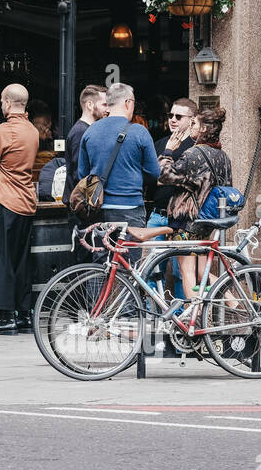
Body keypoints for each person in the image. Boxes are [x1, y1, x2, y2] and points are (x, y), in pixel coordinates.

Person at [157, 106, 233, 318]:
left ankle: (194, 316)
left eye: (194, 124)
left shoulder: (194, 153)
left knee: (187, 271)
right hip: (208, 221)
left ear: (203, 130)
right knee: (202, 271)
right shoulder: (223, 156)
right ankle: (235, 304)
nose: (191, 127)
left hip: (187, 219)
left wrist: (169, 151)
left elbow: (163, 175)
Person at [0, 84, 40, 335]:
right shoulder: (33, 131)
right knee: (21, 259)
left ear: (7, 102)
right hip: (26, 201)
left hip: (4, 199)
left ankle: (5, 316)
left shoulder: (4, 131)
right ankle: (24, 313)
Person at [77, 82, 160, 229]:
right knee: (128, 251)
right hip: (130, 207)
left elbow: (83, 174)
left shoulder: (90, 131)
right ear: (128, 103)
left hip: (98, 208)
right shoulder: (139, 132)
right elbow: (153, 174)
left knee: (101, 251)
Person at [147, 97, 198, 298]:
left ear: (192, 120)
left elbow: (187, 180)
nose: (173, 120)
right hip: (158, 215)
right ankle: (154, 316)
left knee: (181, 273)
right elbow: (151, 178)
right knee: (151, 270)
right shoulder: (160, 144)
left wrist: (165, 177)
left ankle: (181, 320)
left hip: (183, 218)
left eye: (179, 116)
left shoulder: (195, 147)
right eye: (171, 115)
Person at [66, 85, 106, 186]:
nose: (108, 109)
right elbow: (78, 173)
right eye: (104, 105)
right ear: (89, 105)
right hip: (81, 199)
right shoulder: (80, 132)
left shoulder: (86, 130)